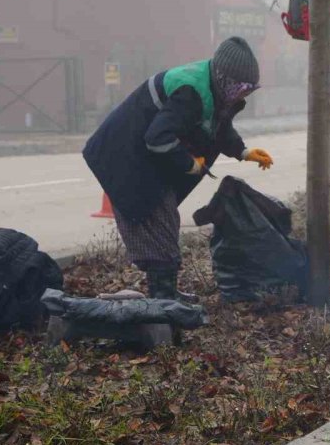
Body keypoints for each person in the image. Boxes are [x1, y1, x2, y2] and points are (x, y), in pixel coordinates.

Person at [83, 37, 274, 300]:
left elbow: (217, 126)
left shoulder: (214, 89)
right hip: (125, 157)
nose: (245, 95)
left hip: (146, 162)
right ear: (226, 80)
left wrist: (242, 151)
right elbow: (156, 138)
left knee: (166, 222)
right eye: (243, 89)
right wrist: (190, 164)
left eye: (250, 90)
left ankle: (167, 293)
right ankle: (163, 302)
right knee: (155, 225)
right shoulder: (191, 92)